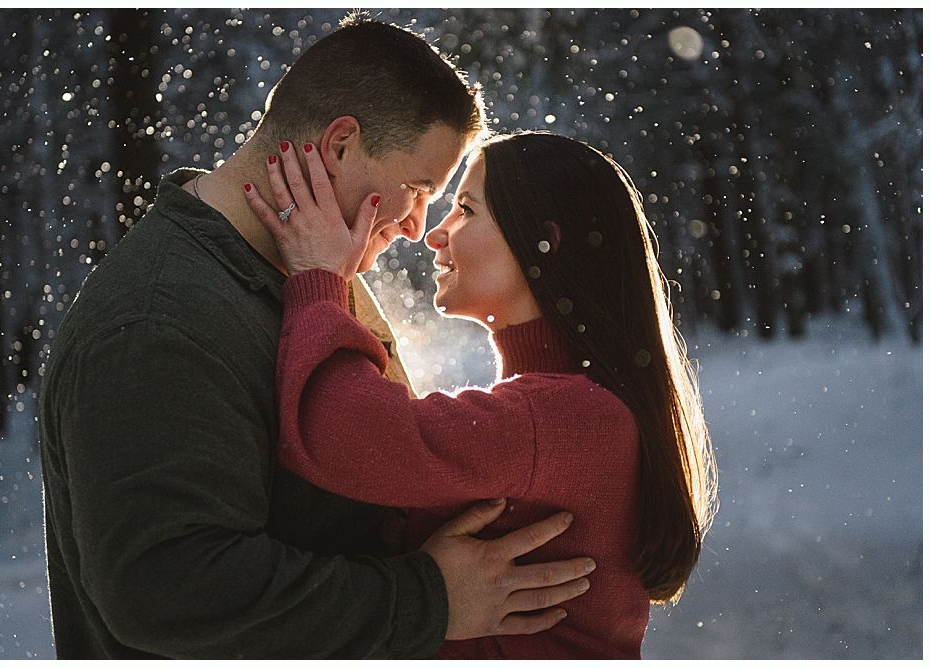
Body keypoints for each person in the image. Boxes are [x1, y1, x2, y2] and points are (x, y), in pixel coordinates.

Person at [38, 14, 596, 660]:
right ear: (339, 147)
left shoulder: (322, 272)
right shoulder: (157, 322)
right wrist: (429, 599)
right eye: (418, 190)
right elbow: (169, 591)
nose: (419, 227)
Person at [244, 130, 719, 659]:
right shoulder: (565, 408)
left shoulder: (562, 416)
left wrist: (320, 278)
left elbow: (342, 432)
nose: (434, 235)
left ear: (546, 241)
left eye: (465, 210)